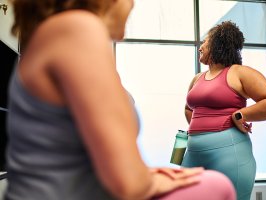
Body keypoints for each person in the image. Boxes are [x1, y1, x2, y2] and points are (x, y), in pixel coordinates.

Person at [4, 1, 237, 200]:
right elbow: (128, 183)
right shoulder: (76, 28)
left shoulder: (53, 35)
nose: (133, 4)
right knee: (218, 185)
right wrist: (147, 178)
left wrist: (147, 175)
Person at [182, 20, 266, 200]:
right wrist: (198, 133)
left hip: (229, 153)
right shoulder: (197, 78)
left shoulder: (239, 72)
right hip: (192, 154)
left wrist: (239, 115)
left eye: (205, 42)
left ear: (217, 44)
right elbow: (188, 108)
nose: (200, 47)